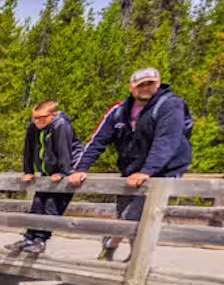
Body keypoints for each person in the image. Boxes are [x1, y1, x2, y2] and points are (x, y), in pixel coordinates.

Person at [67, 67, 193, 261]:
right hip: (131, 169)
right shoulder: (120, 112)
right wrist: (80, 169)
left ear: (158, 83)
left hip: (164, 170)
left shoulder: (170, 105)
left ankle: (120, 250)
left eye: (150, 83)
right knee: (126, 214)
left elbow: (166, 141)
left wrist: (147, 171)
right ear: (131, 87)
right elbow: (98, 141)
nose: (145, 88)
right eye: (140, 84)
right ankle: (128, 254)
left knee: (137, 214)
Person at [7, 100, 81, 255]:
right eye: (35, 117)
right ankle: (29, 237)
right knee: (38, 203)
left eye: (41, 117)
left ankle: (40, 240)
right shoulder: (33, 127)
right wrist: (28, 171)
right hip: (47, 172)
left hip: (68, 170)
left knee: (52, 205)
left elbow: (64, 149)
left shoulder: (61, 125)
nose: (37, 121)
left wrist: (63, 172)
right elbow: (28, 150)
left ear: (52, 115)